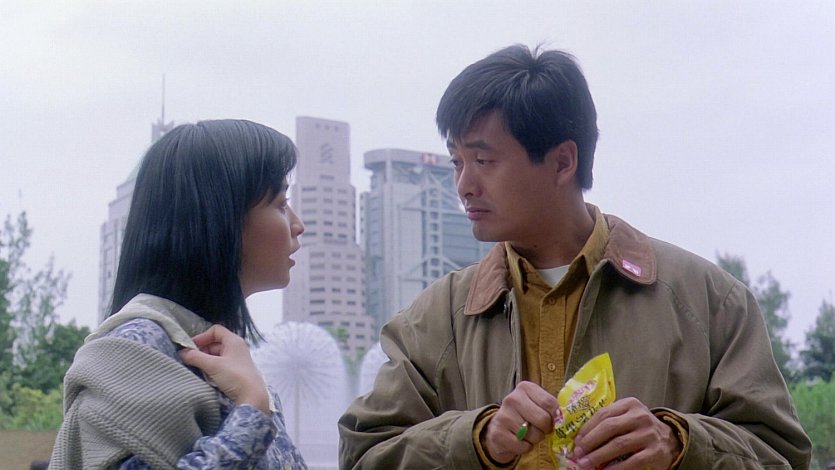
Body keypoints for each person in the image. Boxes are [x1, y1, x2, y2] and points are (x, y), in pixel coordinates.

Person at [338, 45, 812, 469]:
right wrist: (475, 439)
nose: (463, 185)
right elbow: (363, 454)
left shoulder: (709, 301)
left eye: (483, 161)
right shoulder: (436, 319)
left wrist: (678, 444)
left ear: (563, 161)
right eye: (456, 162)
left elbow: (782, 455)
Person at [50, 120, 308, 469]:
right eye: (280, 203)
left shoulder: (224, 357)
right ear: (219, 219)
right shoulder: (133, 352)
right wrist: (251, 413)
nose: (297, 225)